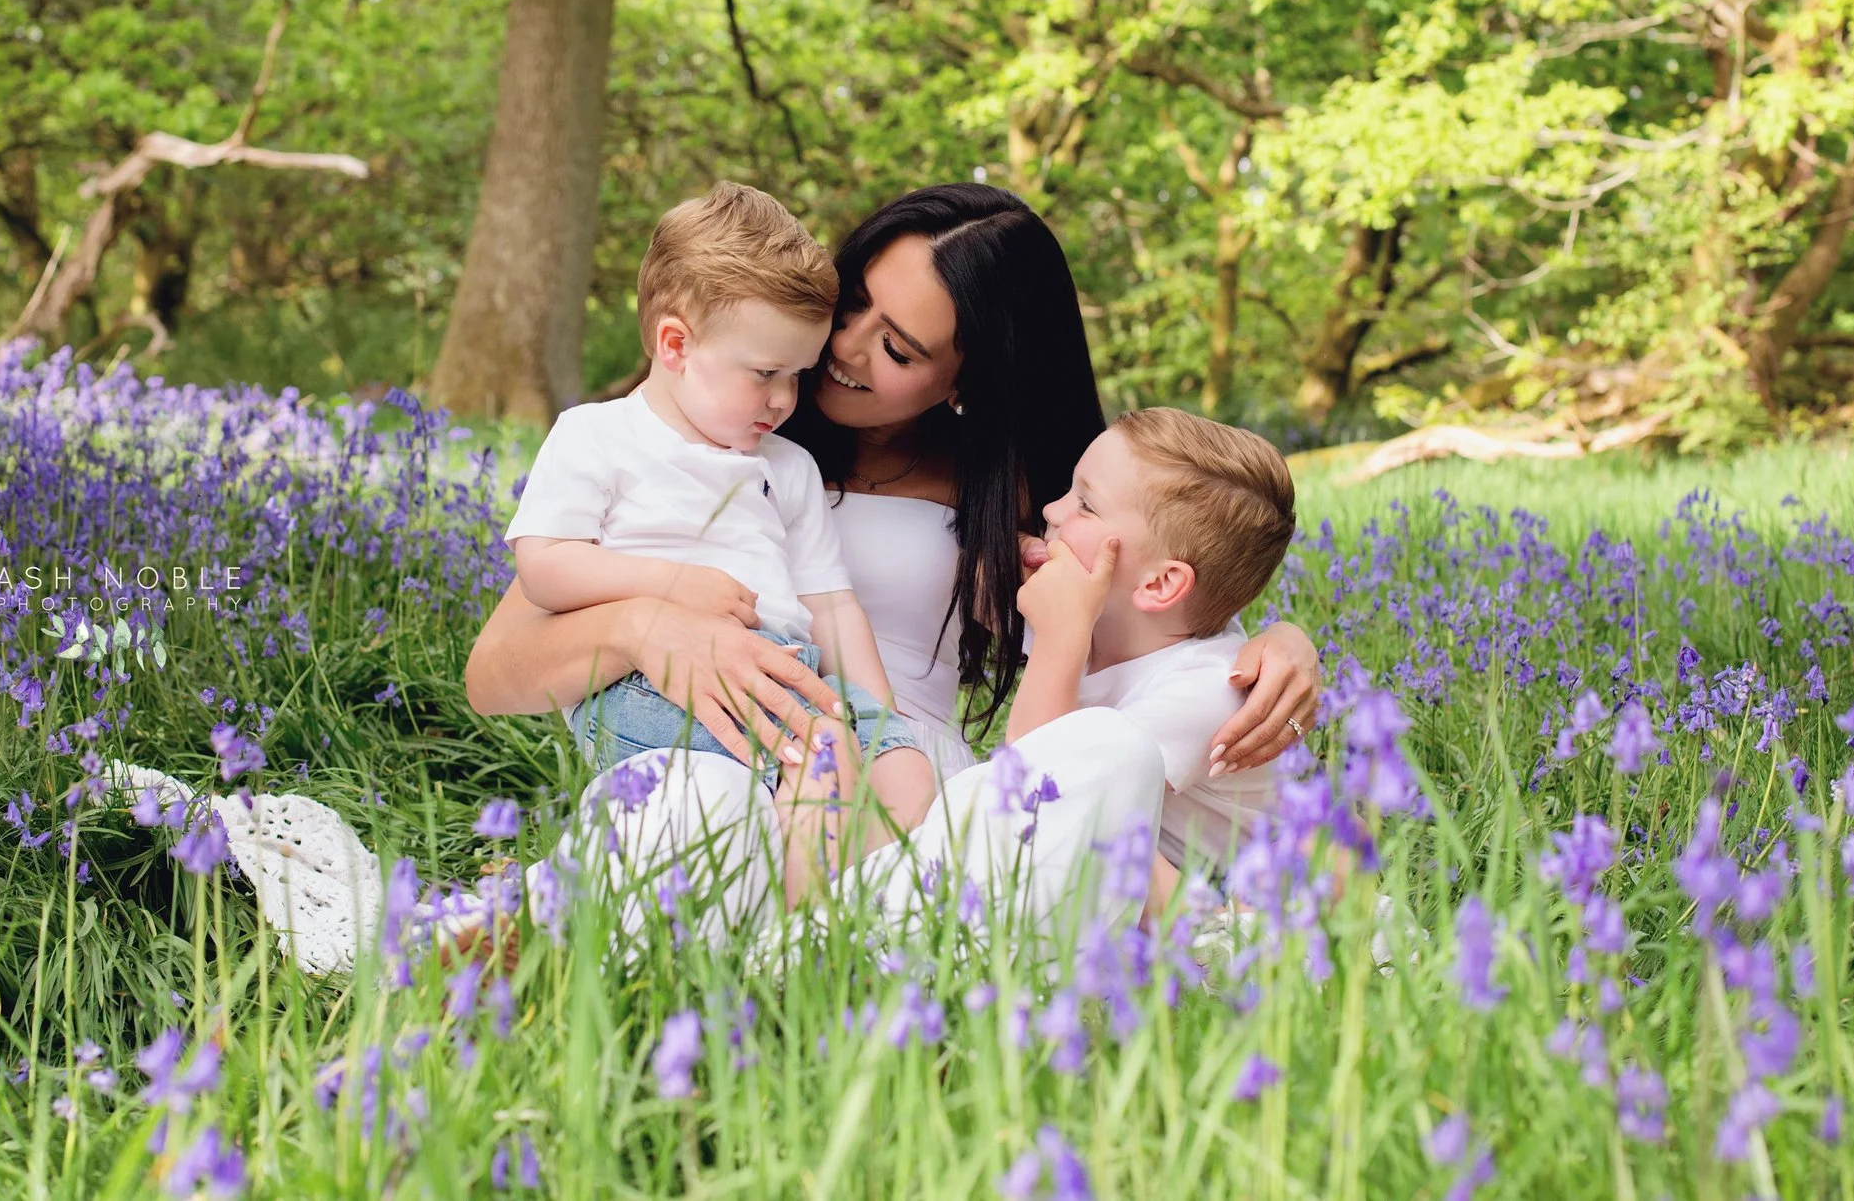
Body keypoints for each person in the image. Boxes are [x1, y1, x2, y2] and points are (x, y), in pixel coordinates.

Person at [463, 184, 1324, 939]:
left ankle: (771, 950)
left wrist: (1277, 640)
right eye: (851, 308)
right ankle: (592, 940)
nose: (845, 348)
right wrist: (644, 626)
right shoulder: (707, 437)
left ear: (966, 378)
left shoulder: (1023, 493)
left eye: (899, 349)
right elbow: (494, 673)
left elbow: (1155, 604)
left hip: (896, 771)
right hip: (716, 742)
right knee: (694, 811)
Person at [504, 182, 936, 901]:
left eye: (796, 375)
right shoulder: (598, 436)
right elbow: (544, 567)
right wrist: (668, 584)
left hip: (788, 673)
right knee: (821, 760)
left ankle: (823, 903)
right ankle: (798, 934)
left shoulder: (786, 468)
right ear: (676, 344)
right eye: (765, 374)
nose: (785, 399)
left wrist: (879, 715)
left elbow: (831, 605)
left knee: (905, 772)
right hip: (650, 684)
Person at [1004, 407, 1299, 919]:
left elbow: (1036, 792)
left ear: (1160, 584)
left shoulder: (1207, 690)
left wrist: (1056, 638)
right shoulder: (1104, 624)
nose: (1052, 509)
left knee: (1093, 832)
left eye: (1085, 505)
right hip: (1167, 879)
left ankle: (1205, 941)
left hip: (1257, 915)